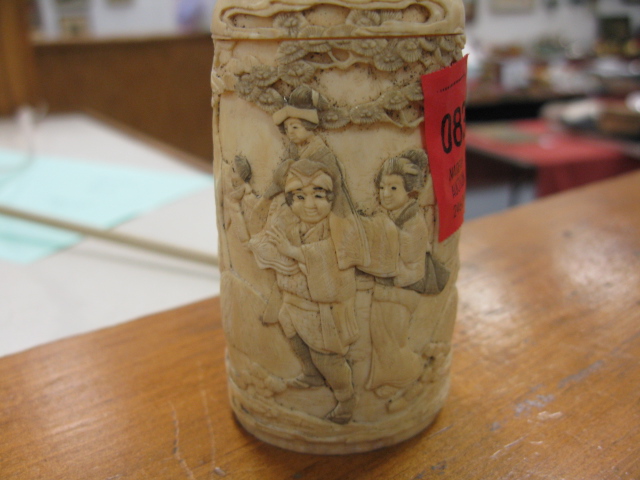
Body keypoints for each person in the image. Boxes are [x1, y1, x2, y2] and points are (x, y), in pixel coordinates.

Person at [249, 159, 359, 424]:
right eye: (300, 197)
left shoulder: (337, 227)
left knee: (326, 356)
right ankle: (311, 374)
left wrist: (294, 252)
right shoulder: (292, 223)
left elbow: (333, 257)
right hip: (294, 302)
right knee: (294, 335)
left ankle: (346, 399)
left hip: (322, 309)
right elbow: (266, 241)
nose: (309, 204)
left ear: (331, 198)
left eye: (318, 196)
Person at [366, 151, 432, 396]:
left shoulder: (414, 224)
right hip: (384, 291)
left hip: (401, 294)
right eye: (382, 187)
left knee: (391, 342)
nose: (385, 193)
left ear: (409, 191)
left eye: (393, 188)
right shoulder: (388, 217)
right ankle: (388, 382)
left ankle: (409, 375)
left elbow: (413, 269)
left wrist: (387, 267)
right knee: (380, 340)